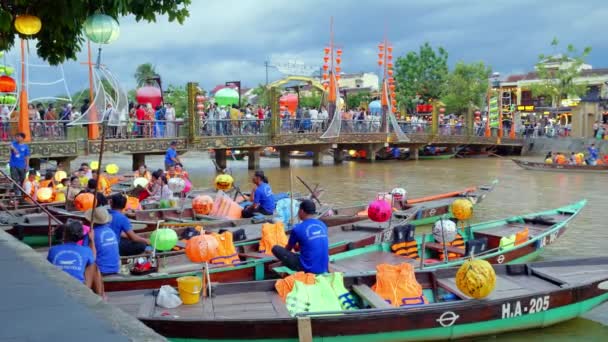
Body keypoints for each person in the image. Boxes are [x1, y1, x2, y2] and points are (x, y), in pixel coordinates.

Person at [272, 200, 328, 274]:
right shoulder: (322, 225)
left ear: (301, 211)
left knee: (276, 248)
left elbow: (288, 248)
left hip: (308, 268)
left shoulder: (297, 228)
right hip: (324, 266)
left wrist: (283, 258)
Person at [47, 220, 103, 294]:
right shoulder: (86, 250)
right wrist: (91, 240)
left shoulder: (53, 250)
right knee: (93, 266)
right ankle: (100, 295)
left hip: (57, 288)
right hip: (77, 290)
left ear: (64, 235)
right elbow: (94, 258)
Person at [85, 207, 120, 277]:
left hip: (100, 271)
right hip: (115, 268)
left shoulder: (91, 234)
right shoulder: (111, 231)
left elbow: (86, 256)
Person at [9, 132, 30, 196]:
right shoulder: (14, 143)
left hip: (22, 165)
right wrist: (14, 149)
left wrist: (27, 166)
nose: (17, 138)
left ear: (22, 138)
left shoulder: (25, 146)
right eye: (16, 137)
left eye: (18, 137)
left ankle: (22, 193)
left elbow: (27, 157)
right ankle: (16, 194)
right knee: (15, 180)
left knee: (22, 180)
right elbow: (10, 146)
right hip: (13, 165)